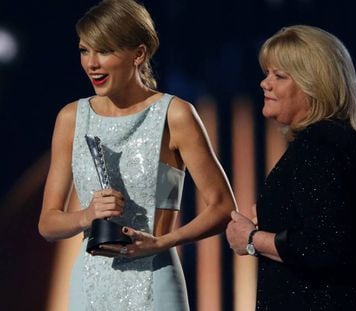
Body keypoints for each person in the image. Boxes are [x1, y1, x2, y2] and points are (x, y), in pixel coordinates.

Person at [38, 0, 237, 310]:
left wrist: (161, 243)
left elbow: (224, 207)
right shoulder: (70, 118)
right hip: (90, 286)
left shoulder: (175, 115)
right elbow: (48, 223)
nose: (92, 63)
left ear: (139, 54)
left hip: (153, 280)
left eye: (104, 51)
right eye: (84, 50)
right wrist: (86, 215)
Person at [226, 25, 356, 310]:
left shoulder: (319, 145)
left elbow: (324, 247)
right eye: (267, 73)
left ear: (314, 86)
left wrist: (250, 238)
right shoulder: (345, 140)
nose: (264, 83)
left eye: (279, 76)